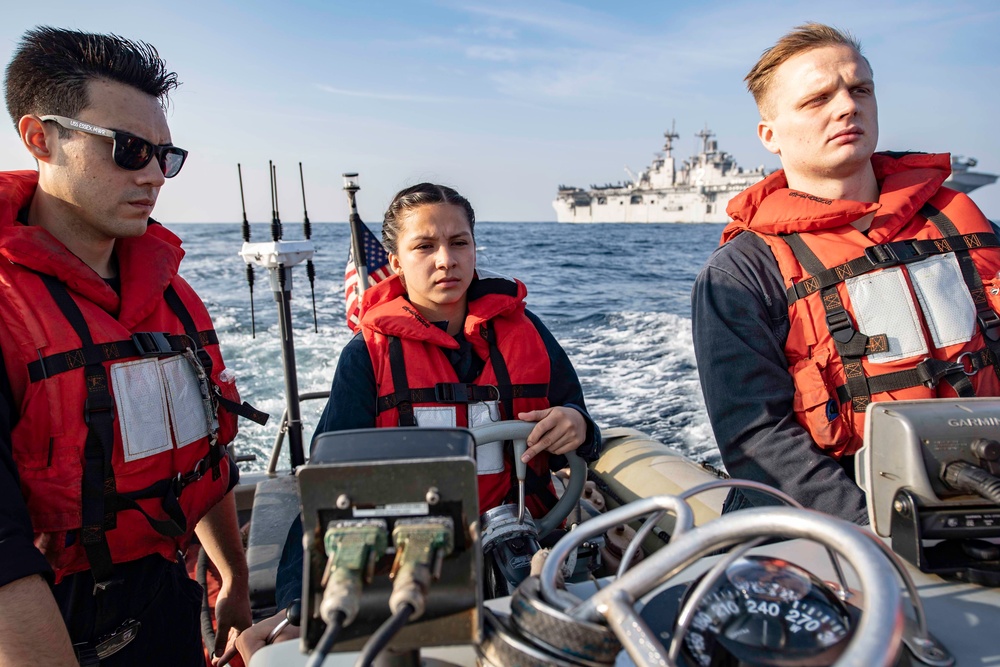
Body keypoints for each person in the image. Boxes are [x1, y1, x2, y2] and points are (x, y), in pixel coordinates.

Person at [229, 182, 602, 662]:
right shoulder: (368, 356)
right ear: (396, 259)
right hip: (408, 558)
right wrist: (302, 608)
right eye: (425, 246)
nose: (446, 259)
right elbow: (329, 489)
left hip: (530, 540)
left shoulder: (527, 332)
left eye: (459, 242)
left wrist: (576, 423)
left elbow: (581, 427)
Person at [0, 26, 254, 665]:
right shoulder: (7, 312)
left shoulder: (171, 294)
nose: (155, 176)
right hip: (47, 622)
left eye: (167, 156)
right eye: (129, 149)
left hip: (168, 601)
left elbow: (203, 453)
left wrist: (234, 581)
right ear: (40, 139)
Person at [692, 23, 1000, 524]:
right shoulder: (741, 273)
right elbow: (757, 439)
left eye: (860, 89)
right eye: (816, 100)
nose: (847, 106)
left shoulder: (977, 231)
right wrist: (872, 532)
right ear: (769, 135)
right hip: (848, 522)